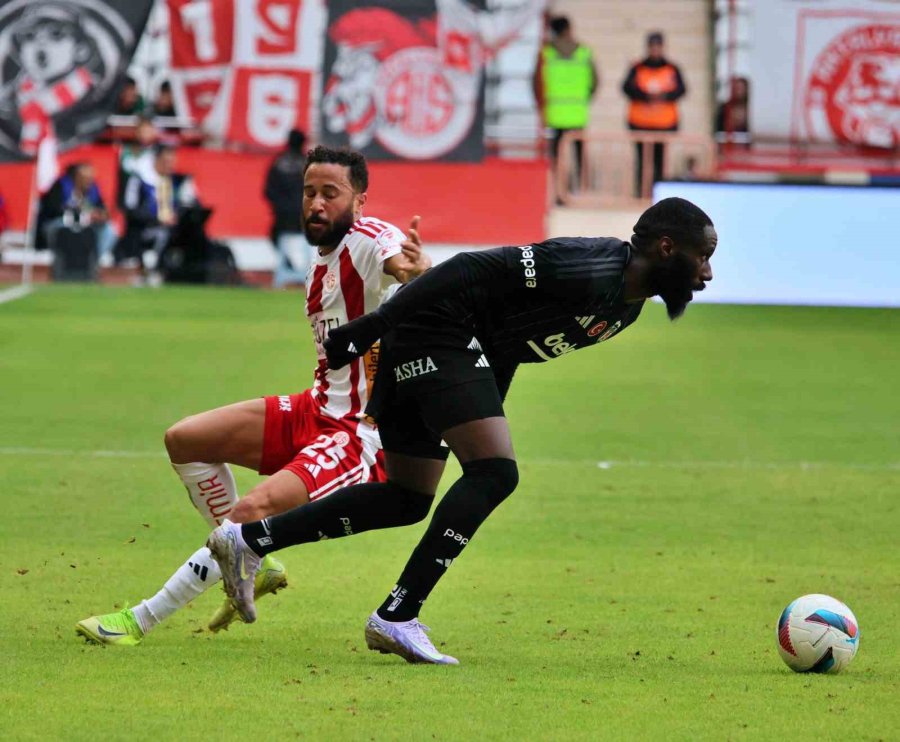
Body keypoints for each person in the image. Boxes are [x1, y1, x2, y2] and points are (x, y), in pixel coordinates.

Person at [206, 197, 717, 665]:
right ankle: (397, 616)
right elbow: (470, 267)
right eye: (703, 257)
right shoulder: (590, 266)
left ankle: (249, 539)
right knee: (495, 474)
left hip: (443, 348)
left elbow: (511, 340)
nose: (708, 273)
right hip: (436, 330)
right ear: (668, 248)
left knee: (407, 498)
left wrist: (482, 407)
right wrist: (370, 327)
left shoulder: (623, 309)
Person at [75, 146, 432, 645]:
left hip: (355, 434)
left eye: (331, 193)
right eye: (310, 192)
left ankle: (139, 620)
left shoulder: (369, 239)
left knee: (247, 516)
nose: (317, 203)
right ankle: (251, 560)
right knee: (186, 440)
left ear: (360, 201)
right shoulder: (318, 264)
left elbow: (396, 258)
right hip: (315, 406)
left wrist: (412, 270)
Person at [532, 15, 598, 198]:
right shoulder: (583, 52)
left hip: (554, 114)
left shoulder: (546, 54)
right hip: (578, 113)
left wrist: (542, 107)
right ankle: (581, 191)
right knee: (579, 156)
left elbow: (537, 84)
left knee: (556, 157)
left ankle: (558, 192)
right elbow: (595, 82)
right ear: (569, 29)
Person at [621, 32, 687, 197]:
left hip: (664, 124)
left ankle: (658, 195)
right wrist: (645, 96)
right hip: (640, 123)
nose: (655, 50)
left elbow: (681, 90)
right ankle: (641, 193)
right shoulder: (637, 68)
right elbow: (626, 88)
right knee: (642, 163)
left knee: (660, 163)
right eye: (652, 46)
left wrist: (664, 96)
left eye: (658, 46)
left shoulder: (672, 68)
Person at [114, 143, 197, 267]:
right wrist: (157, 218)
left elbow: (190, 204)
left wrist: (178, 215)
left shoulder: (177, 182)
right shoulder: (139, 180)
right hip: (144, 229)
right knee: (160, 234)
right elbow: (130, 209)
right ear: (156, 159)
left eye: (172, 161)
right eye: (166, 161)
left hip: (172, 230)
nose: (170, 165)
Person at [35, 162, 117, 261]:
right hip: (59, 224)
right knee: (62, 228)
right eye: (85, 177)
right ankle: (66, 261)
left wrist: (102, 215)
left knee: (108, 230)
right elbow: (52, 211)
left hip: (85, 226)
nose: (89, 180)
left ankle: (91, 261)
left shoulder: (93, 189)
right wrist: (83, 215)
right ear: (76, 176)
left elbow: (101, 209)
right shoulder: (60, 186)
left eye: (91, 177)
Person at [264, 128, 311, 288]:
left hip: (282, 219)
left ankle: (288, 264)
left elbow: (268, 191)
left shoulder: (279, 163)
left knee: (275, 236)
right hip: (304, 219)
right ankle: (305, 271)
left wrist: (280, 207)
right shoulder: (308, 165)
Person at [716, 76, 749, 143]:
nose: (739, 91)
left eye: (741, 88)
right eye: (736, 88)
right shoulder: (724, 108)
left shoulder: (748, 108)